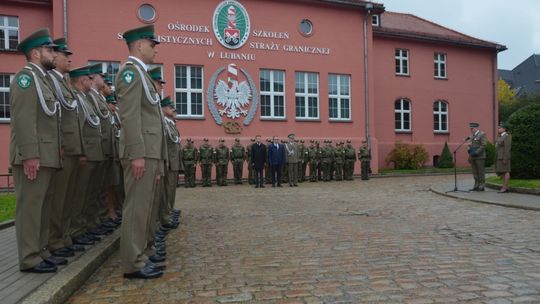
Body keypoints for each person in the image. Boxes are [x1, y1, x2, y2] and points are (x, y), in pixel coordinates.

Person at [10, 28, 64, 273]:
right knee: (31, 209)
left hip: (47, 155)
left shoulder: (43, 79)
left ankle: (41, 251)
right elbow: (23, 119)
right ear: (35, 53)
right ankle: (30, 258)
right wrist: (30, 154)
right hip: (33, 156)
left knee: (43, 207)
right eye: (49, 50)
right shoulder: (26, 78)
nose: (54, 54)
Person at [116, 24, 165, 279]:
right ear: (138, 45)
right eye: (151, 44)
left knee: (144, 208)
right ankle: (132, 263)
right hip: (140, 152)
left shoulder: (141, 74)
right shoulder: (130, 74)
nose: (155, 49)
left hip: (149, 151)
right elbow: (130, 116)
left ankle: (141, 254)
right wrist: (136, 153)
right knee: (136, 208)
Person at [46, 37, 85, 259]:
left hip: (72, 148)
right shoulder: (52, 81)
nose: (68, 59)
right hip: (63, 148)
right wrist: (60, 144)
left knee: (68, 197)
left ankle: (64, 236)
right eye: (64, 55)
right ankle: (54, 240)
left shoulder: (62, 83)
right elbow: (56, 118)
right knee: (58, 199)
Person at [467, 122, 487, 191]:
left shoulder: (482, 134)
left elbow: (483, 145)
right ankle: (476, 185)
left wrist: (476, 152)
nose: (471, 129)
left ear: (476, 128)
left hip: (480, 156)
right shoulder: (472, 136)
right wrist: (469, 147)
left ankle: (481, 185)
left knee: (480, 171)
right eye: (471, 128)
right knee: (475, 172)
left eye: (472, 128)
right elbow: (471, 145)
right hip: (473, 156)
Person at [495, 123, 512, 193]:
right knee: (503, 172)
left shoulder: (507, 136)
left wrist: (505, 158)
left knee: (506, 171)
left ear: (504, 129)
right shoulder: (500, 136)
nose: (499, 129)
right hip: (500, 157)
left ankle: (505, 188)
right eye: (498, 128)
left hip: (504, 157)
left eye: (500, 128)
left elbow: (507, 148)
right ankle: (504, 187)